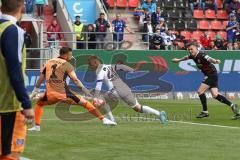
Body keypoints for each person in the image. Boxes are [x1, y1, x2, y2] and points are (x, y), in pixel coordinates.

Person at [28, 47, 116, 131]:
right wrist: (86, 91)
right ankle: (104, 120)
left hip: (50, 94)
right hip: (63, 94)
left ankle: (37, 127)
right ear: (66, 55)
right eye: (70, 55)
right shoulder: (67, 65)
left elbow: (41, 77)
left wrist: (35, 91)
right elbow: (75, 80)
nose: (71, 56)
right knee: (86, 104)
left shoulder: (49, 62)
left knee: (39, 104)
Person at [0, 0, 35, 159]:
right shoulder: (13, 31)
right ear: (22, 8)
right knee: (10, 154)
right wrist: (26, 103)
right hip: (9, 104)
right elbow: (15, 70)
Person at [88, 56, 167, 124]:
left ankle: (112, 120)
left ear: (95, 63)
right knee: (137, 108)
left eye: (90, 64)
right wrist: (132, 70)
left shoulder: (99, 71)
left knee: (100, 101)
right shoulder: (108, 66)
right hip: (125, 89)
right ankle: (159, 114)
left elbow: (98, 86)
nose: (90, 66)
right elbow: (121, 66)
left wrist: (95, 97)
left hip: (114, 91)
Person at [172, 42, 240, 119]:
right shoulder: (192, 56)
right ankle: (233, 106)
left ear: (196, 48)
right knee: (215, 95)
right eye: (189, 49)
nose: (190, 51)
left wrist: (215, 61)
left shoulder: (201, 54)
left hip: (211, 75)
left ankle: (205, 112)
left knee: (200, 91)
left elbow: (209, 58)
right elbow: (186, 57)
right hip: (212, 75)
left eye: (192, 49)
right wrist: (178, 60)